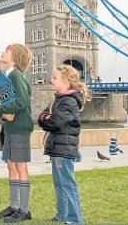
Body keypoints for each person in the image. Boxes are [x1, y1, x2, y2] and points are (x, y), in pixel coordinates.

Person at [38, 64, 91, 224]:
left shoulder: (68, 101)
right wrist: (44, 118)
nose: (51, 80)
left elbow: (54, 122)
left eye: (55, 78)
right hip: (57, 148)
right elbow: (42, 116)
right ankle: (62, 214)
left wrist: (45, 118)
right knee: (59, 183)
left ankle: (75, 219)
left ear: (66, 81)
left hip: (63, 150)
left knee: (67, 184)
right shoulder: (59, 99)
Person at [0, 43, 33, 223]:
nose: (3, 51)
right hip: (9, 128)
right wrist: (3, 111)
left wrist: (5, 109)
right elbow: (1, 104)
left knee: (20, 167)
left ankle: (24, 209)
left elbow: (23, 101)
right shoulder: (6, 76)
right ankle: (14, 206)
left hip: (20, 127)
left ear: (15, 58)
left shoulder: (16, 75)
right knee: (11, 166)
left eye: (7, 50)